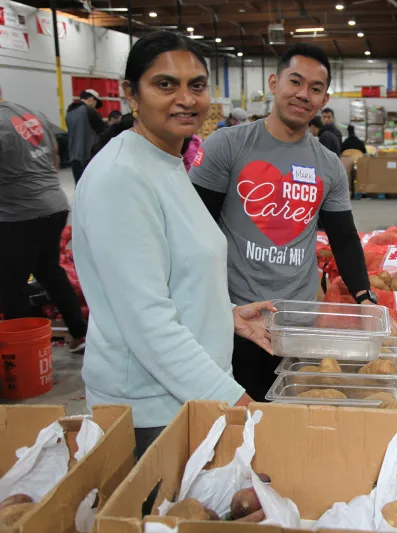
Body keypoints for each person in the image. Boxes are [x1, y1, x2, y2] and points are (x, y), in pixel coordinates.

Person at [72, 31, 274, 455]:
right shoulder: (121, 177)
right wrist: (237, 402)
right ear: (132, 94)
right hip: (151, 407)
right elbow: (147, 321)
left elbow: (168, 276)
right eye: (165, 84)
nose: (185, 98)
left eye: (196, 85)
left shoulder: (166, 162)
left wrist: (224, 315)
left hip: (186, 394)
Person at [189, 43, 373, 402]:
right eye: (295, 81)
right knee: (231, 425)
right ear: (274, 83)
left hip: (296, 325)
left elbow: (344, 237)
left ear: (324, 100)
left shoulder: (328, 164)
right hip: (234, 319)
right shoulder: (228, 145)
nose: (304, 94)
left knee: (287, 421)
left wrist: (365, 296)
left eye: (315, 89)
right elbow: (193, 228)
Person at [0, 85, 87, 353]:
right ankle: (79, 333)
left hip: (20, 214)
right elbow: (56, 155)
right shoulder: (30, 113)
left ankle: (22, 349)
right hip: (55, 204)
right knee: (50, 272)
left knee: (10, 283)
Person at [66, 88, 106, 183]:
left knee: (80, 187)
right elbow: (104, 132)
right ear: (91, 99)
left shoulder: (69, 112)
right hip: (89, 158)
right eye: (96, 104)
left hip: (74, 157)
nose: (95, 107)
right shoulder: (89, 111)